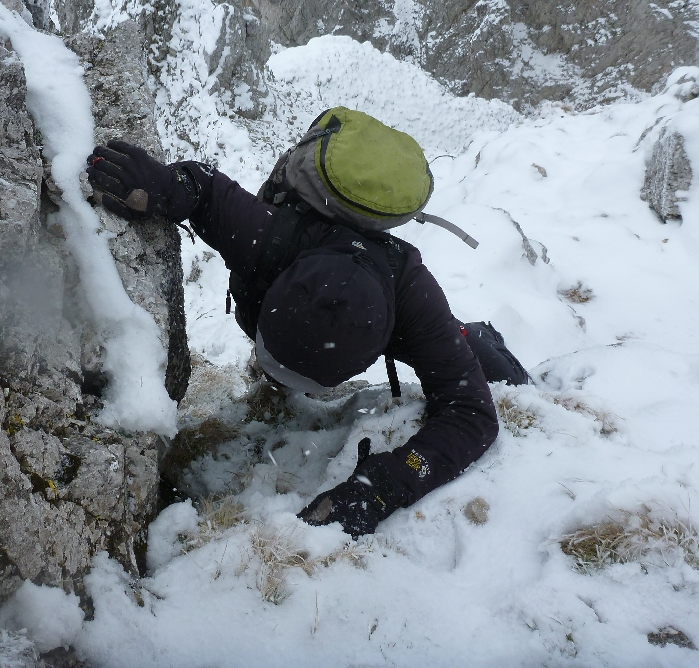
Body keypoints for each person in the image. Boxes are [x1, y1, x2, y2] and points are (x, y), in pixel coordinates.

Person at [86, 138, 528, 538]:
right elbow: (203, 189)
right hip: (300, 274)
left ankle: (481, 338)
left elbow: (472, 414)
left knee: (489, 365)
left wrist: (382, 486)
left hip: (394, 309)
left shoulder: (413, 300)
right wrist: (165, 186)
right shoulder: (273, 238)